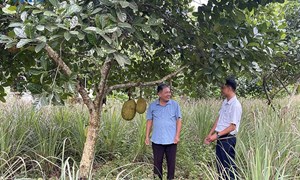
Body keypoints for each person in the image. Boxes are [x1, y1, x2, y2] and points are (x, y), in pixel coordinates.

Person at [204, 78, 242, 180]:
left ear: (229, 88)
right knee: (220, 166)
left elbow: (232, 126)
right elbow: (219, 119)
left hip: (228, 139)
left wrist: (216, 136)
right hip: (220, 138)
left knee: (228, 167)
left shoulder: (236, 105)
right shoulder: (225, 102)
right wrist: (210, 133)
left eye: (223, 87)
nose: (222, 89)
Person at [145, 83, 182, 180]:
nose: (169, 94)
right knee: (157, 164)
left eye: (169, 92)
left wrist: (177, 136)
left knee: (171, 164)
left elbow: (179, 120)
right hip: (157, 140)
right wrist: (147, 136)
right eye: (166, 92)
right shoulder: (152, 106)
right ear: (159, 94)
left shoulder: (175, 105)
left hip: (172, 140)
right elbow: (149, 121)